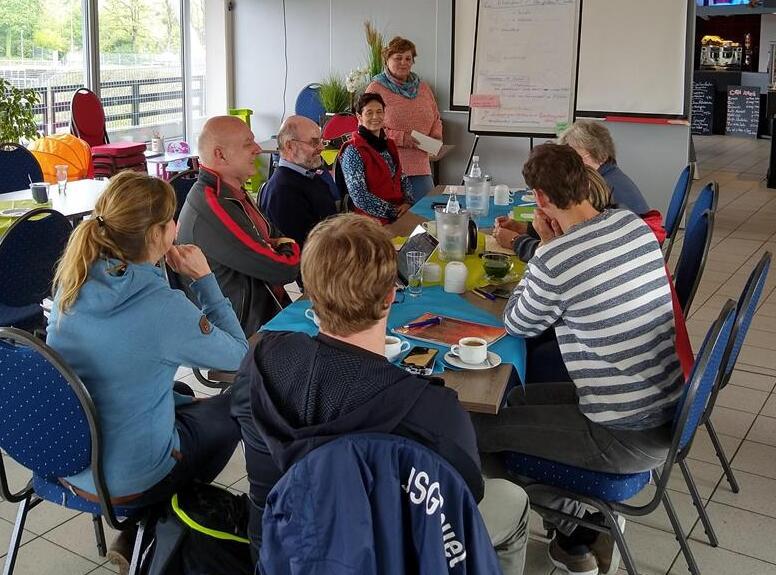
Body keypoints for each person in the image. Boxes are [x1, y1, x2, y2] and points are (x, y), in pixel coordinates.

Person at [231, 214, 529, 573]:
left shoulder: (261, 359)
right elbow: (463, 497)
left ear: (308, 292)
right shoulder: (434, 411)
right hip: (395, 557)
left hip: (281, 548)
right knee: (514, 500)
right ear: (391, 296)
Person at [472, 144, 683, 575]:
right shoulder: (631, 224)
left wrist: (547, 247)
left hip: (621, 432)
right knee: (518, 398)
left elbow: (517, 322)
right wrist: (553, 246)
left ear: (542, 199)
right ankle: (578, 528)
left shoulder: (557, 258)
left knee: (477, 430)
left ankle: (579, 526)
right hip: (662, 410)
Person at [46, 171, 249, 573]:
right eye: (172, 219)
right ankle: (156, 514)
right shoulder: (162, 308)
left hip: (66, 459)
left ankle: (142, 521)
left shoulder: (73, 280)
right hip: (126, 479)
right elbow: (240, 357)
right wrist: (205, 280)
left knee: (179, 394)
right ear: (160, 234)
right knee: (236, 407)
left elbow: (123, 366)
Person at [177, 116, 300, 336]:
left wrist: (275, 246)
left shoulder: (232, 191)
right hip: (245, 331)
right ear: (220, 154)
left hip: (268, 309)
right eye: (248, 144)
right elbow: (284, 268)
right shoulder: (212, 205)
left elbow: (274, 235)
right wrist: (277, 247)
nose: (257, 149)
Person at [365, 36, 442, 199]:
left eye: (408, 58)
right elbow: (369, 126)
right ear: (387, 60)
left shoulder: (422, 87)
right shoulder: (376, 88)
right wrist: (402, 138)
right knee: (398, 220)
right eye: (398, 58)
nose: (404, 62)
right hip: (391, 166)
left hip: (421, 164)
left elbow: (436, 116)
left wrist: (436, 136)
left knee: (425, 216)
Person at [493, 166, 610, 261]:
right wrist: (524, 229)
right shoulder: (602, 219)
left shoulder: (581, 242)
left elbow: (552, 257)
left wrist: (515, 241)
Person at [259, 115, 337, 248]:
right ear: (289, 146)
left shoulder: (307, 175)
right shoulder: (283, 192)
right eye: (314, 142)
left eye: (321, 141)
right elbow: (301, 250)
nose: (321, 148)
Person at [339, 92, 414, 223]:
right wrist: (393, 211)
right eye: (369, 113)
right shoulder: (353, 151)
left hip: (400, 213)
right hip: (371, 223)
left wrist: (408, 202)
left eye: (379, 111)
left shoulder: (389, 144)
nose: (375, 116)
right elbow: (359, 197)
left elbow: (401, 176)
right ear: (359, 117)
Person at [558, 120, 650, 215]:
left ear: (601, 156)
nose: (570, 164)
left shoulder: (601, 188)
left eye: (577, 157)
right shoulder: (612, 174)